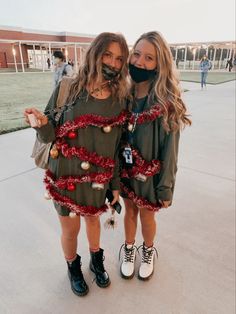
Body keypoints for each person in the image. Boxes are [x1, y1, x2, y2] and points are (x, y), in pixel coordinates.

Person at [24, 32, 129, 296]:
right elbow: (49, 135)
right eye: (108, 54)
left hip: (97, 179)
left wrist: (114, 184)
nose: (113, 63)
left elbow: (116, 148)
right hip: (66, 176)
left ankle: (96, 261)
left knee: (93, 222)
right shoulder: (67, 88)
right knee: (70, 228)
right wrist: (41, 123)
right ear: (95, 53)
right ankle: (73, 267)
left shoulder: (120, 100)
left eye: (119, 58)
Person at [119, 31, 191, 281]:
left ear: (160, 64)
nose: (140, 62)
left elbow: (171, 151)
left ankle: (147, 250)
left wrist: (166, 188)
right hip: (125, 171)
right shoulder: (123, 97)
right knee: (129, 212)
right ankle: (129, 249)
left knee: (146, 214)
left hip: (150, 175)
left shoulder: (166, 103)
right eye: (136, 54)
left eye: (149, 58)